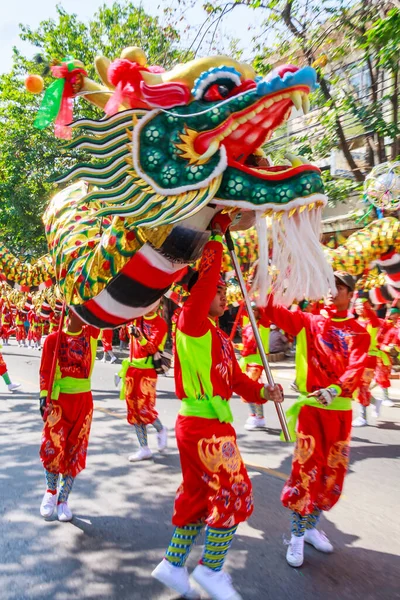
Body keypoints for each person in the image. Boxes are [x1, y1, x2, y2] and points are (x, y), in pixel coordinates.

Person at [152, 213, 283, 600]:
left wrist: (264, 394)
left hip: (213, 426)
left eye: (226, 290)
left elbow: (238, 381)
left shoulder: (218, 336)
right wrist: (215, 235)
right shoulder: (190, 322)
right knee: (235, 492)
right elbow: (207, 278)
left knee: (196, 500)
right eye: (219, 289)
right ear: (197, 295)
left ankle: (173, 565)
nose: (225, 294)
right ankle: (211, 570)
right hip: (202, 428)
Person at [262, 271, 369, 568]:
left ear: (350, 294)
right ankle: (296, 535)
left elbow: (357, 368)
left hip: (340, 413)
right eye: (328, 286)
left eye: (339, 287)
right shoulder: (309, 321)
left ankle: (310, 528)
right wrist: (272, 278)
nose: (332, 292)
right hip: (311, 412)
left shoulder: (360, 332)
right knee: (306, 471)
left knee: (330, 476)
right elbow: (272, 311)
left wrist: (335, 389)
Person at [39, 310, 99, 522]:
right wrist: (43, 396)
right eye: (79, 310)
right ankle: (51, 492)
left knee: (75, 450)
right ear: (68, 313)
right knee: (53, 448)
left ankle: (64, 500)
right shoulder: (53, 339)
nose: (85, 315)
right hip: (59, 403)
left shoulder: (91, 334)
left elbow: (103, 312)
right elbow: (46, 371)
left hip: (83, 402)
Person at [118, 309, 169, 462]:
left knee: (144, 408)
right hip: (132, 370)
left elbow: (153, 348)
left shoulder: (160, 324)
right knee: (133, 411)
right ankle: (144, 448)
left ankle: (161, 429)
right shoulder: (135, 317)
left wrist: (140, 337)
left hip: (147, 371)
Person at [352, 298, 388, 426]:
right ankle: (374, 401)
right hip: (355, 359)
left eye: (362, 305)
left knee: (362, 386)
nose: (359, 307)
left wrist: (367, 307)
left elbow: (375, 320)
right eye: (356, 305)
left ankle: (362, 417)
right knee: (353, 387)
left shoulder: (372, 323)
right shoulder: (353, 322)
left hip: (368, 359)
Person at [239, 305, 270, 430]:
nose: (252, 311)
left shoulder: (263, 324)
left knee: (251, 389)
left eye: (255, 309)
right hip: (246, 361)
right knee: (246, 390)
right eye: (250, 309)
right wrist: (237, 346)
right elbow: (246, 345)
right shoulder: (247, 326)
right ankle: (255, 416)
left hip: (257, 361)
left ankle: (259, 417)